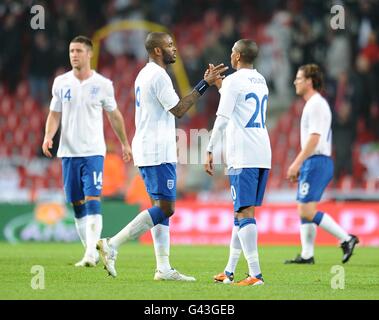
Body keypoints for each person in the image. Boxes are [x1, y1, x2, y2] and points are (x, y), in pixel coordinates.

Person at [97, 32, 227, 280]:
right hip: (157, 150)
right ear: (157, 50)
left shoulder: (144, 73)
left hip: (149, 148)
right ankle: (112, 244)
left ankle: (163, 268)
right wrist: (204, 84)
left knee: (160, 207)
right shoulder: (158, 75)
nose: (174, 49)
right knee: (167, 208)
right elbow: (179, 109)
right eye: (169, 45)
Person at [42, 35, 132, 267]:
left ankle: (90, 254)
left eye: (79, 51)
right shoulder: (61, 82)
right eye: (72, 50)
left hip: (93, 152)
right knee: (76, 203)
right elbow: (54, 113)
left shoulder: (102, 84)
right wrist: (48, 136)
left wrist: (124, 143)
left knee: (92, 198)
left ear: (89, 54)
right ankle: (90, 252)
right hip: (68, 153)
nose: (74, 54)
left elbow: (114, 115)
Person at [205, 39, 270, 286]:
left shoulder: (234, 81)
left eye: (232, 51)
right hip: (262, 151)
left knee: (244, 212)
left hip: (243, 154)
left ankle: (256, 274)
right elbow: (239, 102)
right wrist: (218, 83)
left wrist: (210, 149)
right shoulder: (260, 80)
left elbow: (223, 117)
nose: (230, 55)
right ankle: (229, 271)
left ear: (238, 56)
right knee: (240, 211)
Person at [285, 64, 359, 265]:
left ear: (309, 81)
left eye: (299, 78)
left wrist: (296, 163)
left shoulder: (316, 103)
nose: (295, 82)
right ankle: (307, 254)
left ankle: (347, 238)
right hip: (315, 161)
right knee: (304, 207)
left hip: (316, 161)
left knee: (306, 211)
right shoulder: (314, 103)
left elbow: (315, 138)